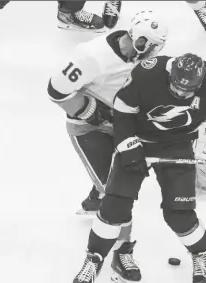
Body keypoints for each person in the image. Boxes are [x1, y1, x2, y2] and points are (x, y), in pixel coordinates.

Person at [71, 53, 206, 283]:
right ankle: (95, 257)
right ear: (171, 75)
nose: (180, 94)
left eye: (188, 92)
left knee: (179, 213)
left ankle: (202, 254)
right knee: (115, 206)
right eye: (176, 88)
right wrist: (127, 143)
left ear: (200, 84)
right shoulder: (148, 72)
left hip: (178, 145)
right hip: (138, 140)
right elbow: (122, 108)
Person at [47, 9, 167, 214]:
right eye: (154, 46)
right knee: (115, 190)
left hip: (118, 118)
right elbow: (56, 90)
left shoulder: (132, 53)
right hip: (89, 127)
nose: (154, 52)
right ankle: (113, 236)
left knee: (123, 171)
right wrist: (89, 111)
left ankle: (96, 200)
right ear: (141, 42)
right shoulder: (92, 56)